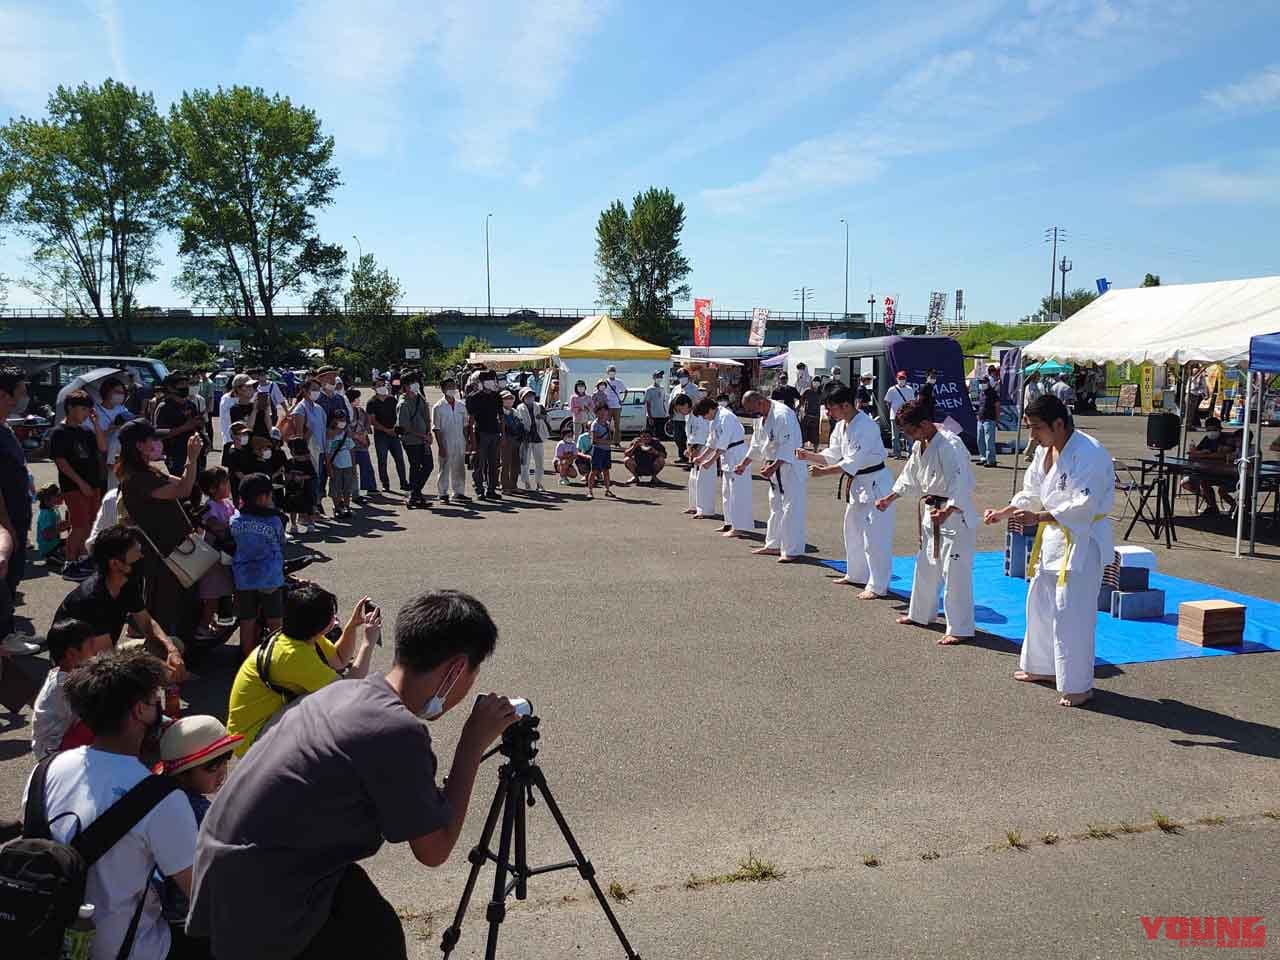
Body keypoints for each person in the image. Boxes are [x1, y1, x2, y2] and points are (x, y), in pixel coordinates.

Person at [188, 590, 517, 960]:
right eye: (471, 676)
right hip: (265, 908)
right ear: (456, 670)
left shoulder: (345, 693)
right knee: (378, 940)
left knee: (371, 918)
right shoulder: (395, 730)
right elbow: (434, 849)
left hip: (225, 882)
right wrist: (472, 742)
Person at [22, 649, 199, 960]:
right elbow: (202, 895)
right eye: (153, 699)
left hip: (43, 942)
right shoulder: (162, 798)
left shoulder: (44, 771)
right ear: (139, 711)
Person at [983, 394, 1114, 708]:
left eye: (1037, 428)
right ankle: (1042, 667)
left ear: (1059, 423)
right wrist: (1004, 512)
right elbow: (1031, 492)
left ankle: (1079, 685)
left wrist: (1037, 517)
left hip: (1082, 541)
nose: (1032, 436)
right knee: (1039, 604)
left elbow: (1083, 506)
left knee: (1073, 613)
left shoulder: (1089, 453)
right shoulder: (1045, 451)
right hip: (1052, 539)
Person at [225, 584, 379, 756]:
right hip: (251, 741)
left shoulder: (297, 635)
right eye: (332, 616)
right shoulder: (294, 656)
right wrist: (368, 643)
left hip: (254, 727)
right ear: (322, 625)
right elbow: (347, 691)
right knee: (334, 709)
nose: (335, 619)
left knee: (322, 697)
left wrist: (352, 626)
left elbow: (340, 659)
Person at [874, 401, 976, 644]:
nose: (910, 438)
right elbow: (909, 477)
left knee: (954, 573)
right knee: (926, 565)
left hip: (954, 515)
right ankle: (920, 614)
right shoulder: (921, 445)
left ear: (925, 423)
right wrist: (890, 497)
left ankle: (960, 628)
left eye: (911, 432)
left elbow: (961, 481)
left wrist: (949, 509)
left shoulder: (950, 444)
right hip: (932, 512)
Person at [798, 386, 895, 599]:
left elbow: (852, 461)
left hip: (876, 484)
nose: (829, 413)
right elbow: (834, 454)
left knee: (875, 536)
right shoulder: (842, 425)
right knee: (852, 528)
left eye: (831, 408)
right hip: (859, 483)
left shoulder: (866, 426)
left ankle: (878, 585)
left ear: (846, 406)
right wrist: (809, 456)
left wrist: (823, 473)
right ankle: (856, 574)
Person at [117, 419, 203, 654]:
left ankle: (183, 654)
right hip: (164, 554)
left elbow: (186, 484)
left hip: (176, 549)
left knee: (185, 603)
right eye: (152, 440)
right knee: (166, 608)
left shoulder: (148, 470)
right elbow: (183, 489)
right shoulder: (136, 478)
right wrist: (192, 459)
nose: (157, 443)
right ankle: (163, 662)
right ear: (138, 445)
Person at [54, 524, 187, 676]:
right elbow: (107, 659)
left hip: (104, 654)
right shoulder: (92, 598)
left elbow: (146, 622)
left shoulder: (127, 582)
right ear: (116, 563)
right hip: (80, 669)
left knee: (174, 643)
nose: (141, 557)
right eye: (136, 554)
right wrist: (162, 668)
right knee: (135, 675)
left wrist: (172, 651)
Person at [156, 716, 241, 947]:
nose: (222, 771)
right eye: (212, 766)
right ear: (183, 772)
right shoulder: (197, 812)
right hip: (185, 921)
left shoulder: (156, 791)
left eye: (226, 760)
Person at [737, 390, 807, 562]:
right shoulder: (761, 418)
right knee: (775, 506)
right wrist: (744, 464)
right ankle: (774, 545)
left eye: (754, 410)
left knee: (791, 508)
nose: (754, 414)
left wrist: (774, 465)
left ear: (761, 401)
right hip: (774, 468)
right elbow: (756, 443)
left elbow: (788, 445)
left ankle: (792, 550)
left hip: (790, 466)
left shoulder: (782, 414)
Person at [31, 618, 112, 758]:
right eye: (91, 645)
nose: (95, 650)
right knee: (107, 718)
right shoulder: (66, 684)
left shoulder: (61, 672)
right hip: (54, 750)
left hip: (54, 742)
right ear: (72, 654)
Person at [50, 389, 108, 580]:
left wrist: (96, 424)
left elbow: (103, 447)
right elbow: (61, 461)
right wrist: (80, 483)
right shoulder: (59, 432)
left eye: (88, 409)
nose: (86, 413)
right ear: (70, 408)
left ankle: (83, 560)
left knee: (92, 524)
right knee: (79, 525)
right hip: (74, 486)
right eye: (83, 409)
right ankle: (69, 562)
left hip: (94, 483)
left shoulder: (86, 430)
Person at [231, 474, 286, 658]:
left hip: (244, 577)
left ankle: (247, 657)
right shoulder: (274, 520)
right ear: (262, 497)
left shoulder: (236, 520)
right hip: (269, 576)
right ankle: (276, 658)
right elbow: (280, 542)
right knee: (274, 620)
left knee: (247, 620)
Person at [695, 395, 751, 537]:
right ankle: (729, 523)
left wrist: (711, 460)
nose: (704, 418)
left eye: (704, 414)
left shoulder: (726, 416)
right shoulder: (715, 419)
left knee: (738, 493)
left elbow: (723, 443)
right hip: (727, 456)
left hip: (737, 454)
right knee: (727, 492)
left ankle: (739, 527)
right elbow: (712, 441)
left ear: (711, 409)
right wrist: (701, 457)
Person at [195, 468, 236, 642]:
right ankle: (202, 627)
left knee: (220, 593)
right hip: (214, 557)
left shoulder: (227, 503)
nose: (228, 486)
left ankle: (210, 623)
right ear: (212, 489)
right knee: (212, 596)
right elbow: (215, 525)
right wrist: (231, 525)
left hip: (225, 555)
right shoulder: (209, 507)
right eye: (224, 483)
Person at [1182, 417, 1239, 514]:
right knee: (1188, 482)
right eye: (1208, 430)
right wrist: (1203, 453)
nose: (1211, 432)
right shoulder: (1206, 439)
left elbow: (1223, 455)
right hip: (1208, 470)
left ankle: (1234, 505)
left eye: (1214, 429)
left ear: (1219, 429)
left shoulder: (1228, 438)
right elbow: (1194, 453)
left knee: (1217, 487)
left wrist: (1204, 454)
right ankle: (1212, 505)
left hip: (1227, 473)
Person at [154, 373, 205, 478]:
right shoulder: (164, 407)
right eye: (181, 384)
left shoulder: (191, 405)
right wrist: (185, 427)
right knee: (181, 485)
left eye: (187, 384)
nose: (185, 387)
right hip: (175, 454)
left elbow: (196, 426)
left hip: (195, 452)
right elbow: (158, 433)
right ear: (171, 387)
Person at [293, 378, 330, 516]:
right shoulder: (300, 409)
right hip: (307, 452)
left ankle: (315, 507)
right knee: (309, 483)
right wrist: (304, 453)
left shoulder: (319, 408)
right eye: (313, 389)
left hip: (320, 450)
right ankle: (308, 512)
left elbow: (323, 430)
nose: (316, 392)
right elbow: (299, 435)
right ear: (305, 390)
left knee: (319, 480)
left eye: (318, 389)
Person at [397, 373, 433, 510]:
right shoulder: (403, 403)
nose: (416, 385)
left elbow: (426, 416)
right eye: (413, 382)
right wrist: (422, 436)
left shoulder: (420, 398)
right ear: (406, 386)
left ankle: (415, 493)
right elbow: (405, 427)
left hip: (423, 439)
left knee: (428, 466)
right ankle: (415, 494)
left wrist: (428, 433)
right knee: (415, 466)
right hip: (411, 441)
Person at [367, 375, 407, 492]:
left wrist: (395, 429)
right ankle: (385, 484)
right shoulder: (371, 402)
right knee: (382, 460)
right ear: (373, 388)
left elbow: (399, 416)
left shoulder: (392, 400)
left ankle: (404, 482)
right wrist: (386, 430)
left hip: (394, 433)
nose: (381, 387)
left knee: (399, 458)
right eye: (378, 385)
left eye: (383, 385)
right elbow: (372, 421)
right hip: (381, 435)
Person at [466, 370, 502, 500]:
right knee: (479, 465)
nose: (491, 382)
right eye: (488, 380)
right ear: (481, 382)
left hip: (494, 433)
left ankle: (491, 489)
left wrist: (502, 435)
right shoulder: (473, 397)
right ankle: (479, 490)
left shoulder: (496, 396)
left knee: (494, 464)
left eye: (492, 379)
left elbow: (501, 416)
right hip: (480, 433)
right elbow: (470, 421)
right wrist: (472, 440)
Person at [432, 377, 469, 503]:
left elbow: (465, 425)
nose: (452, 389)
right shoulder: (438, 407)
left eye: (453, 386)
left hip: (460, 440)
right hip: (445, 441)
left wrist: (467, 441)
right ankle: (442, 493)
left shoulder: (461, 405)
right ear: (442, 389)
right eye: (449, 387)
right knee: (444, 467)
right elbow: (436, 428)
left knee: (459, 467)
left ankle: (459, 492)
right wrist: (441, 446)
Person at [95, 376, 135, 491]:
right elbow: (89, 436)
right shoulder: (94, 412)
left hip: (121, 456)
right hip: (101, 458)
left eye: (123, 392)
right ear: (107, 392)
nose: (121, 395)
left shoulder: (122, 410)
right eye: (117, 392)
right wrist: (109, 429)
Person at [682, 396, 718, 519]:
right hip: (694, 450)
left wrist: (696, 450)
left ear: (687, 405)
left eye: (681, 408)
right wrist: (689, 450)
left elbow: (703, 435)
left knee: (704, 481)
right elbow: (690, 436)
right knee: (693, 480)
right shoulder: (689, 417)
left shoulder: (700, 416)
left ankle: (705, 509)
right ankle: (694, 506)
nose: (681, 412)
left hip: (704, 449)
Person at [516, 386, 551, 492]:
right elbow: (519, 422)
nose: (529, 397)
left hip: (538, 437)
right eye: (527, 395)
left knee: (539, 462)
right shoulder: (520, 407)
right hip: (525, 439)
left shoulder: (539, 406)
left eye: (531, 395)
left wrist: (543, 417)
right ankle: (526, 482)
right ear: (522, 397)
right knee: (525, 462)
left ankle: (539, 482)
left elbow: (548, 418)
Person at [325, 410, 358, 519]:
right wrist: (329, 468)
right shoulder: (329, 435)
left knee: (347, 489)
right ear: (334, 420)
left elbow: (351, 450)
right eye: (340, 420)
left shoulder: (346, 433)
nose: (342, 422)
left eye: (344, 420)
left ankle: (347, 506)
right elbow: (328, 454)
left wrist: (353, 466)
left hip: (347, 465)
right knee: (336, 488)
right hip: (336, 465)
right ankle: (337, 507)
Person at [284, 438, 318, 533]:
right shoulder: (290, 462)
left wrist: (302, 477)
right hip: (292, 489)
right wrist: (290, 477)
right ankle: (293, 525)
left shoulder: (307, 462)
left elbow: (312, 475)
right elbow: (286, 474)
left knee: (309, 507)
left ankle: (311, 523)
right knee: (292, 508)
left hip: (305, 488)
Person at [668, 369, 703, 463]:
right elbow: (671, 402)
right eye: (680, 377)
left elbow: (698, 402)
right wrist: (670, 415)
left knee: (689, 438)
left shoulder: (694, 388)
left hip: (690, 417)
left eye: (684, 376)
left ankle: (690, 458)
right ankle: (682, 455)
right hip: (677, 417)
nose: (682, 379)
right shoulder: (676, 388)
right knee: (678, 438)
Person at [883, 370, 918, 459]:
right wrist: (892, 410)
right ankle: (897, 454)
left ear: (906, 379)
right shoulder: (892, 389)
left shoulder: (909, 389)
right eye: (900, 378)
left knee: (909, 435)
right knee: (895, 436)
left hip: (907, 416)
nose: (901, 380)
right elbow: (887, 402)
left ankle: (910, 454)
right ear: (897, 379)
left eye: (903, 378)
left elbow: (912, 402)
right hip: (894, 416)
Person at [586, 403, 617, 499]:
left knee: (606, 470)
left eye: (605, 411)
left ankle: (607, 490)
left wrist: (612, 437)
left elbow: (611, 436)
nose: (603, 413)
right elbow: (594, 440)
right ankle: (590, 491)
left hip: (606, 450)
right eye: (601, 411)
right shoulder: (595, 424)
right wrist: (608, 442)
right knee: (594, 471)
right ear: (597, 413)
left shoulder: (607, 424)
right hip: (598, 450)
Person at [35, 483, 70, 566]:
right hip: (49, 548)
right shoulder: (46, 514)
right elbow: (47, 535)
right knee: (73, 547)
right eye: (58, 495)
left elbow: (59, 525)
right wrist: (67, 524)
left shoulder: (53, 510)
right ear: (47, 499)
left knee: (76, 542)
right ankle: (52, 556)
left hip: (55, 543)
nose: (61, 496)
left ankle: (57, 555)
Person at [498, 391, 524, 494]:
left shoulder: (515, 411)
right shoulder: (499, 412)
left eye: (510, 398)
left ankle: (513, 485)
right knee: (505, 464)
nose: (509, 400)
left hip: (516, 440)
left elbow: (520, 424)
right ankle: (505, 486)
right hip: (505, 440)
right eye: (506, 398)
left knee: (515, 464)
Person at [218, 374, 252, 447]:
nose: (251, 389)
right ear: (239, 388)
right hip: (231, 440)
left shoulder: (246, 399)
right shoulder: (228, 401)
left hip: (244, 439)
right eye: (248, 386)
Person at [976, 364, 1000, 468]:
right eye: (980, 382)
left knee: (989, 441)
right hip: (981, 419)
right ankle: (983, 458)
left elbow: (997, 406)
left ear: (987, 383)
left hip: (990, 419)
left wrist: (997, 418)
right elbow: (980, 404)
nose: (982, 384)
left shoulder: (992, 392)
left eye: (983, 382)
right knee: (980, 440)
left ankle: (991, 460)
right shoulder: (982, 392)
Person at [1022, 371, 1044, 463]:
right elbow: (1033, 398)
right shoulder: (1032, 387)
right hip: (1033, 413)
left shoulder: (1030, 386)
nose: (1039, 378)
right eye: (1038, 376)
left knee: (1036, 433)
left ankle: (1029, 453)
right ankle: (1028, 452)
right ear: (1034, 377)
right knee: (1035, 433)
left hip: (1031, 412)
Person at [797, 377, 823, 451]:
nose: (816, 383)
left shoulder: (821, 393)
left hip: (816, 416)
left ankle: (815, 449)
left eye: (818, 381)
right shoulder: (807, 391)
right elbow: (801, 400)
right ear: (812, 382)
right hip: (806, 415)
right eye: (815, 381)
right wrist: (800, 409)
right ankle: (802, 446)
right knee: (803, 432)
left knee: (815, 433)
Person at [603, 364, 627, 445]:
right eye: (610, 371)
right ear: (607, 372)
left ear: (615, 372)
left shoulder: (619, 381)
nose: (612, 372)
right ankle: (607, 441)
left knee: (617, 425)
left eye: (613, 371)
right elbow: (600, 391)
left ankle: (616, 441)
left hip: (617, 406)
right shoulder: (605, 382)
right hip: (608, 406)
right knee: (606, 424)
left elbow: (625, 391)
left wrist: (622, 400)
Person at [644, 369, 670, 441]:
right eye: (658, 376)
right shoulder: (649, 389)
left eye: (661, 376)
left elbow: (664, 402)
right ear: (654, 378)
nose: (660, 378)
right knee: (651, 437)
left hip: (662, 416)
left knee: (660, 437)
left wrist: (666, 413)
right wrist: (650, 417)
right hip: (653, 417)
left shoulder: (662, 389)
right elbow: (647, 404)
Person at [1186, 365, 1208, 430]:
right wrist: (1201, 370)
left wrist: (1204, 394)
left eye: (1197, 371)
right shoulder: (1192, 378)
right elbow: (1195, 377)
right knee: (1189, 411)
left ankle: (1190, 425)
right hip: (1190, 395)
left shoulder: (1198, 378)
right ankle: (1188, 425)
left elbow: (1201, 386)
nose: (1197, 373)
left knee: (1192, 411)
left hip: (1195, 395)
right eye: (1196, 372)